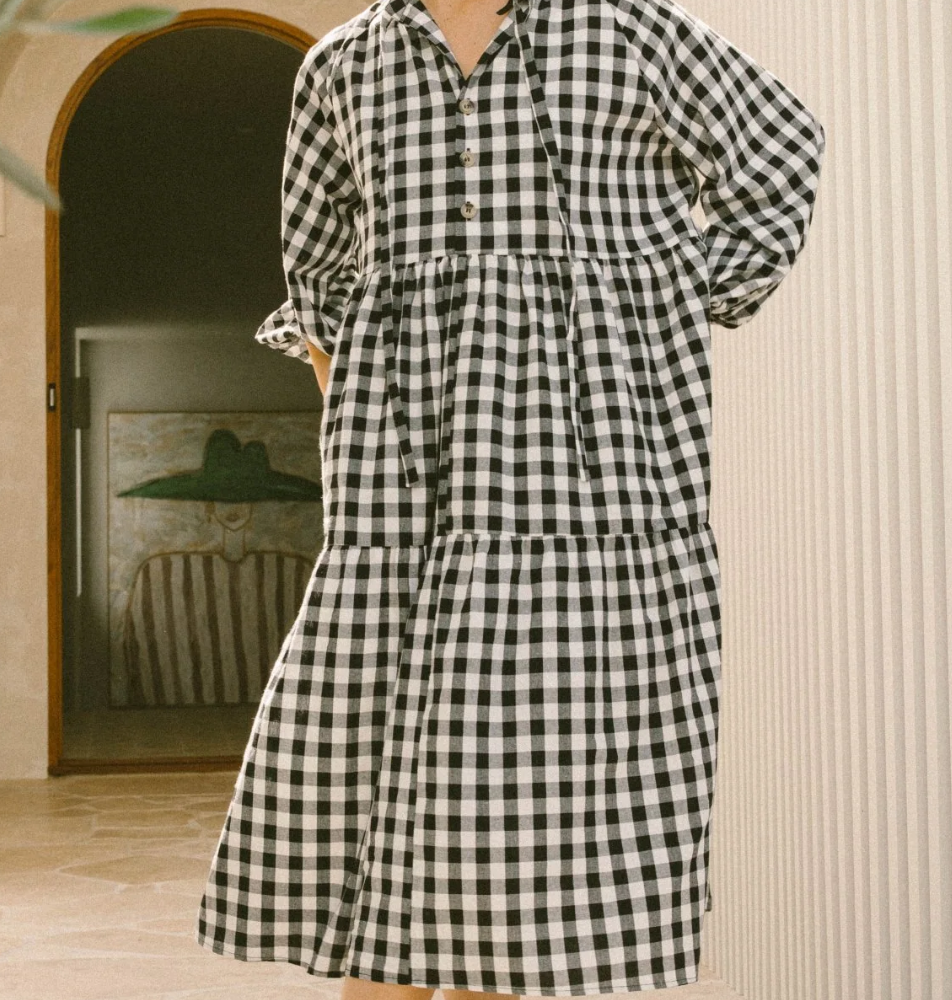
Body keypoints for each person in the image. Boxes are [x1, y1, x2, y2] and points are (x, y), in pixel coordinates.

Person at [197, 0, 826, 997]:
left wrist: (657, 300)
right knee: (378, 752)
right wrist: (361, 401)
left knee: (523, 812)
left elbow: (780, 154)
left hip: (592, 482)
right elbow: (315, 271)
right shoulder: (342, 63)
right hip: (401, 478)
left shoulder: (630, 29)